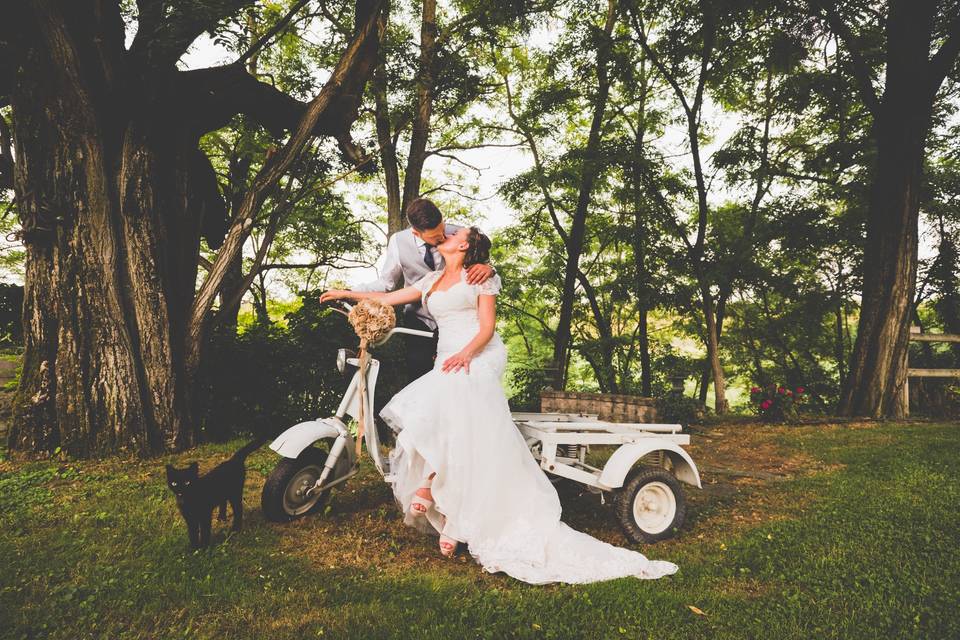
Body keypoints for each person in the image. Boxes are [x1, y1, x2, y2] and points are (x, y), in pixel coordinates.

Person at [320, 226, 679, 585]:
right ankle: (454, 518)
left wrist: (466, 354)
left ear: (465, 245)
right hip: (447, 358)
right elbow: (391, 296)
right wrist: (343, 292)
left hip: (479, 353)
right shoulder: (431, 278)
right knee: (448, 421)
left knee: (452, 399)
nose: (446, 235)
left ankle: (432, 487)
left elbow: (488, 329)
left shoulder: (481, 277)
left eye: (454, 234)